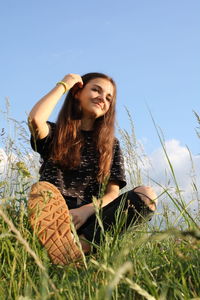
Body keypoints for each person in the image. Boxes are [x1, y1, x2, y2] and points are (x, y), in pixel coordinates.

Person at [28, 72, 157, 266]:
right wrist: (65, 84)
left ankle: (76, 250)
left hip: (91, 219)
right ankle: (66, 250)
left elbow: (113, 193)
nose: (101, 98)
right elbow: (35, 119)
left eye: (108, 98)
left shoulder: (110, 145)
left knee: (146, 196)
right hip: (52, 213)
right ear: (77, 93)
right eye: (95, 90)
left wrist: (86, 211)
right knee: (44, 194)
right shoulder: (55, 134)